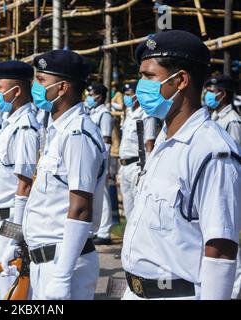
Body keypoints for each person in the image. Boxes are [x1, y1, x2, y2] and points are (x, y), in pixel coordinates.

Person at [121, 30, 241, 300]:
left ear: (181, 81)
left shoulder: (212, 150)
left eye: (149, 76)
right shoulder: (165, 140)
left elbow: (220, 248)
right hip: (137, 291)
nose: (141, 85)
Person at [23, 50, 107, 300]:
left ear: (62, 88)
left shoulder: (77, 135)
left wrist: (61, 276)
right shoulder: (58, 130)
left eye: (41, 81)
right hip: (45, 260)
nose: (36, 87)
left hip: (63, 264)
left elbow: (81, 208)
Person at [0, 61, 40, 299]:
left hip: (6, 223)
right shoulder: (9, 124)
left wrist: (15, 236)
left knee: (10, 288)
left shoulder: (25, 129)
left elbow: (25, 185)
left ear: (17, 91)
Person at [118, 81, 157, 219]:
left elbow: (149, 143)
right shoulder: (128, 113)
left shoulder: (146, 115)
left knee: (139, 209)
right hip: (124, 165)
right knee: (128, 209)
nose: (126, 97)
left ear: (137, 95)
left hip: (138, 165)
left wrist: (147, 170)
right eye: (125, 94)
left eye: (128, 94)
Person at [85, 82, 114, 245]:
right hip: (93, 159)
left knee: (103, 194)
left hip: (101, 159)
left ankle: (105, 231)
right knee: (96, 194)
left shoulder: (104, 114)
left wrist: (104, 163)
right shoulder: (92, 113)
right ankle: (97, 229)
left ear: (100, 97)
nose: (88, 98)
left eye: (91, 95)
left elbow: (106, 140)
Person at [204, 75, 241, 145]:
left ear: (223, 94)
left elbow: (235, 152)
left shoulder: (232, 122)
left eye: (211, 91)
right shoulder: (212, 115)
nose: (207, 95)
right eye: (207, 91)